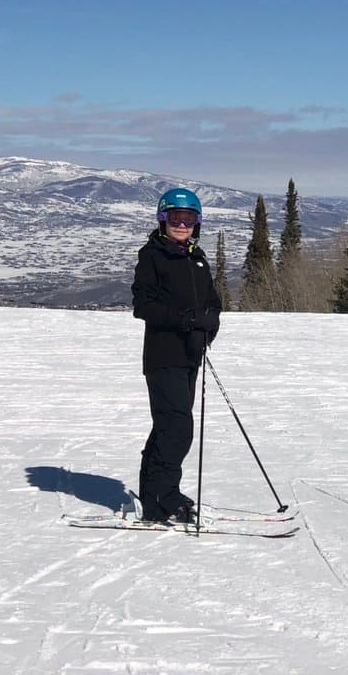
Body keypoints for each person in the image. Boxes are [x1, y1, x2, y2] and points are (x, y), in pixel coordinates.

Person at [132, 187, 222, 523]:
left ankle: (155, 494)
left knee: (167, 427)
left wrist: (208, 327)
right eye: (175, 218)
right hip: (162, 355)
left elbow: (212, 302)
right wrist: (185, 320)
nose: (181, 225)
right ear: (162, 220)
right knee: (178, 428)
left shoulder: (196, 258)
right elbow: (144, 305)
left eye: (188, 219)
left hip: (189, 357)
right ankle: (162, 496)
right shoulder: (152, 255)